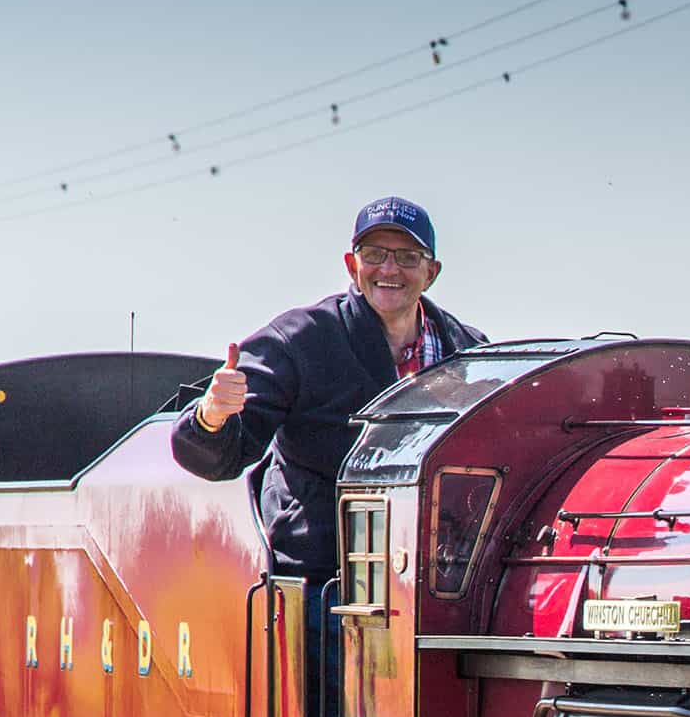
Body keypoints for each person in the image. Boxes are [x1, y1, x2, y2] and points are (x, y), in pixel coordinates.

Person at [172, 195, 489, 578]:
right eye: (373, 254)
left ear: (431, 273)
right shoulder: (299, 341)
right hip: (325, 579)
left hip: (439, 576)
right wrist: (212, 416)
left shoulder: (468, 353)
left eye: (407, 257)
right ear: (351, 265)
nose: (389, 268)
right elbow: (220, 455)